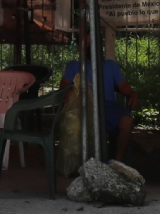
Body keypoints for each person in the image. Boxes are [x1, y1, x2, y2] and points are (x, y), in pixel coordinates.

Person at [59, 28, 141, 161]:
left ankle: (117, 162)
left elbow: (122, 85)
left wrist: (132, 94)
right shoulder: (74, 65)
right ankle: (83, 161)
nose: (91, 47)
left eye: (94, 43)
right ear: (81, 47)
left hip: (107, 106)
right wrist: (67, 92)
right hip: (83, 106)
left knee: (127, 121)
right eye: (88, 44)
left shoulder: (111, 65)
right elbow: (64, 84)